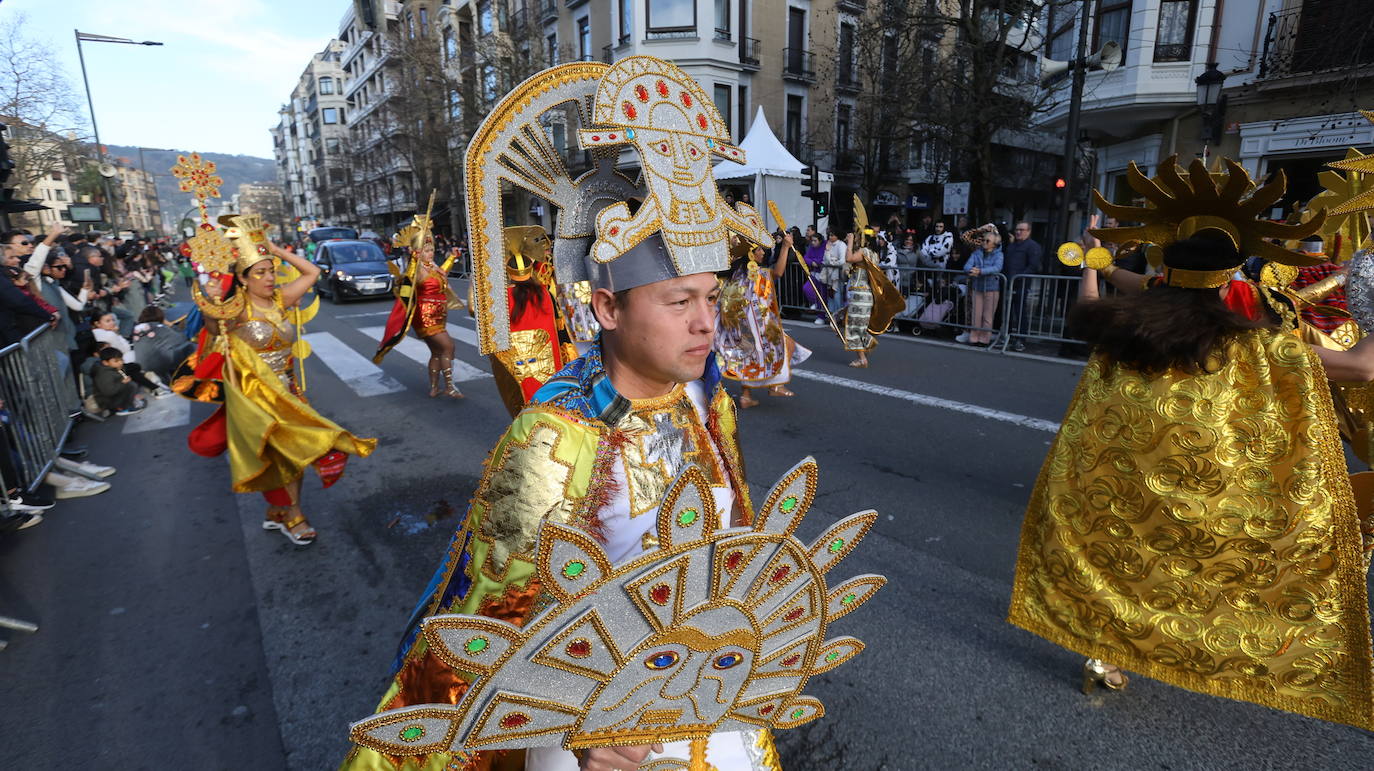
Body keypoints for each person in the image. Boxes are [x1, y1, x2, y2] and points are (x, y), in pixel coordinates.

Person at [341, 56, 781, 771]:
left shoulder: (710, 401)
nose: (707, 322)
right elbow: (497, 620)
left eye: (710, 297)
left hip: (705, 693)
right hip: (591, 724)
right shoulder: (555, 437)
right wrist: (584, 726)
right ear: (607, 308)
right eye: (679, 301)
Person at [1010, 156, 1374, 731]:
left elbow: (1101, 301)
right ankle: (1195, 648)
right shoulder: (1254, 343)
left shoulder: (1128, 329)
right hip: (1208, 485)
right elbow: (1360, 368)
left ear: (1169, 269)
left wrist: (1095, 261)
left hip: (1124, 481)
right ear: (1231, 277)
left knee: (1119, 558)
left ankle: (1103, 651)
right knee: (1203, 565)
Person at [184, 211, 375, 547]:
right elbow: (215, 330)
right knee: (286, 458)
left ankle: (278, 511)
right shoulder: (236, 308)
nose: (270, 277)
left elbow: (312, 272)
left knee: (290, 456)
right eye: (260, 273)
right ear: (243, 279)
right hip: (256, 397)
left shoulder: (280, 300)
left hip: (288, 391)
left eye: (271, 270)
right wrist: (210, 301)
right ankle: (294, 516)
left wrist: (273, 249)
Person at [373, 209, 467, 398]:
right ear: (418, 252)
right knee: (448, 347)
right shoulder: (416, 270)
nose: (430, 254)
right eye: (426, 251)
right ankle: (449, 386)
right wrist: (414, 259)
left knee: (436, 351)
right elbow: (410, 280)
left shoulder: (431, 267)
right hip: (426, 316)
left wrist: (451, 257)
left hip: (439, 314)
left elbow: (442, 274)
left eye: (431, 250)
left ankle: (434, 387)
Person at [485, 226, 578, 416]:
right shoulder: (545, 293)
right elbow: (560, 330)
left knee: (524, 410)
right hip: (548, 365)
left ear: (508, 271)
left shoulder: (499, 299)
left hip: (517, 367)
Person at [717, 232, 803, 408]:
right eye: (759, 250)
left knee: (748, 359)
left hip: (739, 328)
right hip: (758, 326)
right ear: (750, 254)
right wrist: (785, 247)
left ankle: (746, 396)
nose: (763, 253)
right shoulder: (755, 273)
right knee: (786, 345)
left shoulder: (734, 275)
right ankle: (775, 385)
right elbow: (778, 272)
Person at [957, 224, 1003, 346]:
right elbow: (967, 266)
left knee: (987, 316)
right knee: (976, 315)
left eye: (988, 241)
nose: (984, 242)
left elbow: (997, 267)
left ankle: (984, 339)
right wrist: (972, 270)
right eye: (983, 240)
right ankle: (974, 338)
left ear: (994, 244)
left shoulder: (999, 254)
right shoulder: (977, 253)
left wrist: (980, 271)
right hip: (977, 287)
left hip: (991, 289)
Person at [1002, 221, 1043, 351]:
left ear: (1028, 232)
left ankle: (1021, 338)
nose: (1018, 232)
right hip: (1008, 283)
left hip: (1021, 284)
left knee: (1020, 311)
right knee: (1007, 311)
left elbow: (1033, 266)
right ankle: (1008, 336)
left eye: (1022, 230)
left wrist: (1018, 277)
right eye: (1017, 229)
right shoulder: (1012, 246)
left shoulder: (1033, 246)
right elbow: (1006, 263)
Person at [91, 347, 146, 416]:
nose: (121, 362)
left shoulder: (113, 368)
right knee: (131, 385)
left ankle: (127, 403)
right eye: (116, 361)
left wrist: (122, 373)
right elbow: (109, 391)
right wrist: (122, 382)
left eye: (121, 360)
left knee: (132, 383)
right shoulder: (104, 374)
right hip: (108, 402)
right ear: (105, 363)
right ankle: (123, 408)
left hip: (112, 398)